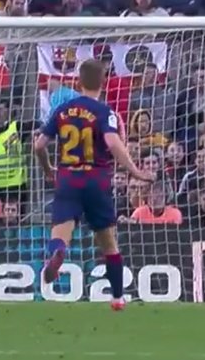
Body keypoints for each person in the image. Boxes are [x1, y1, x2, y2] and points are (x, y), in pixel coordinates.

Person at [33, 59, 154, 312]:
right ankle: (118, 298)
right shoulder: (104, 112)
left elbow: (39, 145)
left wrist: (47, 170)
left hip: (67, 178)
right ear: (103, 82)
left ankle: (57, 253)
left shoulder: (62, 109)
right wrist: (135, 171)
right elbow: (113, 142)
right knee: (108, 243)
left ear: (78, 81)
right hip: (96, 180)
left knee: (60, 234)